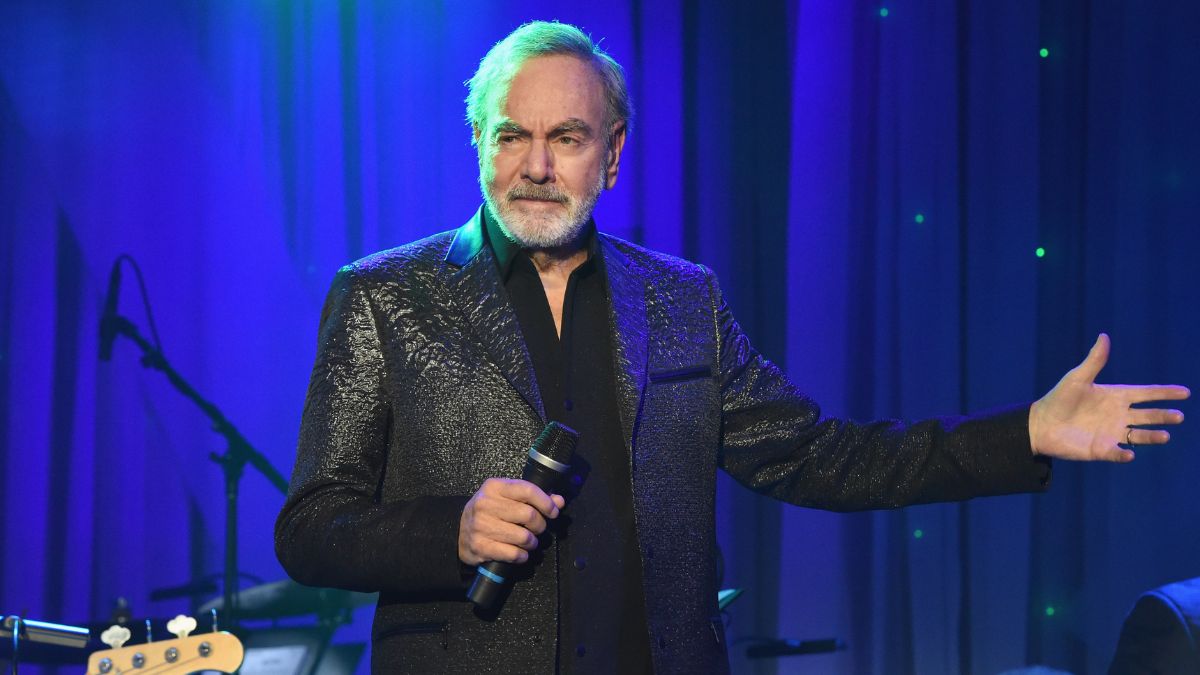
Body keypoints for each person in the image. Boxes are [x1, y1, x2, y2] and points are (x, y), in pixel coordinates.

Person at [274, 21, 1189, 674]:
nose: (537, 166)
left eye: (567, 138)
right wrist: (452, 530)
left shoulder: (682, 300)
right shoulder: (386, 296)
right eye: (512, 135)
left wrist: (1023, 432)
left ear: (612, 154)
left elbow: (826, 457)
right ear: (479, 140)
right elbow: (311, 527)